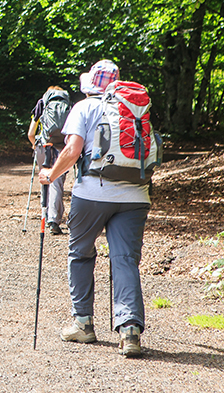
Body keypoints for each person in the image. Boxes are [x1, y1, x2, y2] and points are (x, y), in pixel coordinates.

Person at [38, 60, 150, 357]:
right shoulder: (133, 109)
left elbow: (73, 150)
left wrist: (51, 174)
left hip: (93, 193)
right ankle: (129, 332)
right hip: (136, 195)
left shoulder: (84, 108)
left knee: (81, 253)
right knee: (125, 259)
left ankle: (84, 324)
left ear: (89, 85)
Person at [27, 86, 69, 235]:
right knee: (57, 181)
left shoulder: (42, 103)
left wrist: (34, 144)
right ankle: (54, 220)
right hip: (62, 148)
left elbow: (31, 133)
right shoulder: (67, 104)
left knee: (44, 178)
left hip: (44, 146)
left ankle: (45, 215)